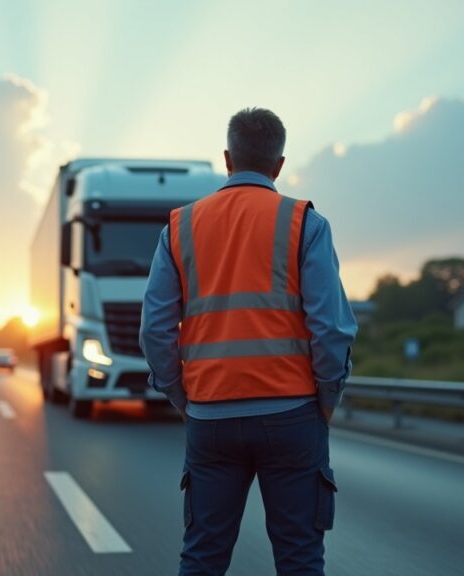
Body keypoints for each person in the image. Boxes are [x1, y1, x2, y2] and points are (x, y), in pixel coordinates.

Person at [139, 107, 357, 575]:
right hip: (292, 415)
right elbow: (331, 328)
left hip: (210, 416)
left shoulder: (179, 228)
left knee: (202, 555)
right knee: (300, 557)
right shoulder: (306, 224)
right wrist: (326, 398)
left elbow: (154, 329)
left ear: (227, 158)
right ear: (278, 164)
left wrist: (182, 395)